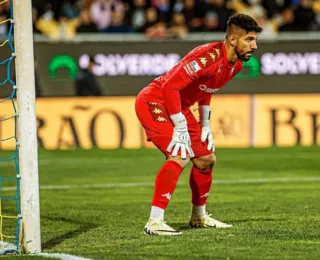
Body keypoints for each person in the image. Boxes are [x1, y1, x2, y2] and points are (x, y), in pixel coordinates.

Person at [135, 13, 262, 236]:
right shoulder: (207, 57)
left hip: (180, 107)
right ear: (233, 40)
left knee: (206, 160)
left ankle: (198, 216)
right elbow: (169, 88)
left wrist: (205, 124)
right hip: (155, 100)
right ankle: (154, 221)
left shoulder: (235, 66)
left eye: (254, 40)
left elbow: (206, 90)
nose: (255, 46)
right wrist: (181, 127)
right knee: (180, 154)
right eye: (249, 39)